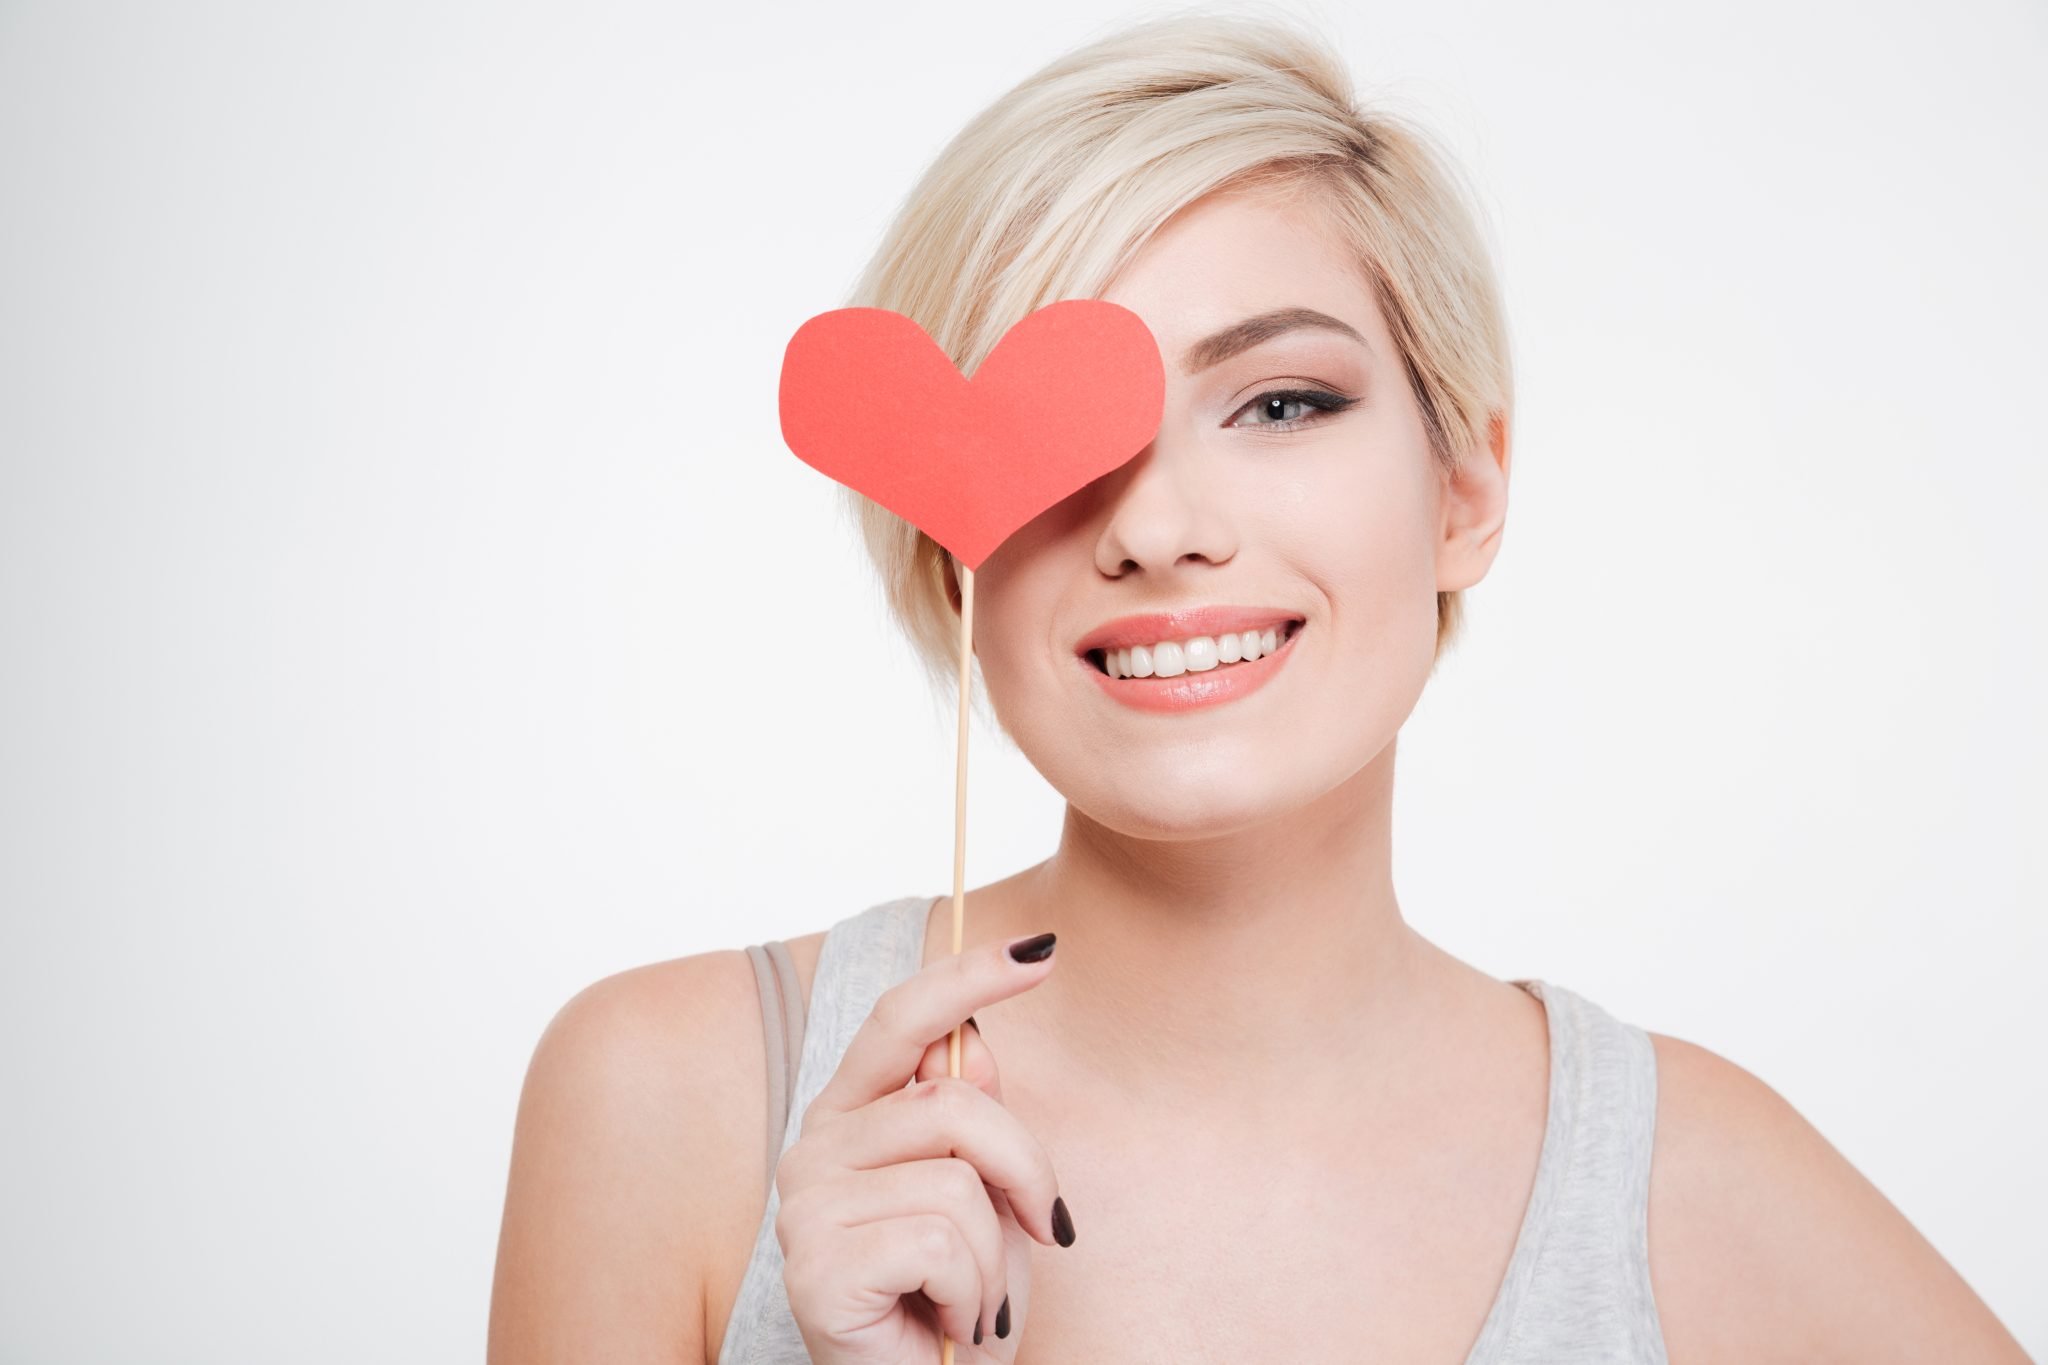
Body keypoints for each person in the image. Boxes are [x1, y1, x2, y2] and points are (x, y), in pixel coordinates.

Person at [486, 12, 2030, 1363]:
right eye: (1057, 428)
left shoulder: (1698, 1188)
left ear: (1465, 491)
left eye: (1281, 400)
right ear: (949, 540)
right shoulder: (668, 1106)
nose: (1160, 529)